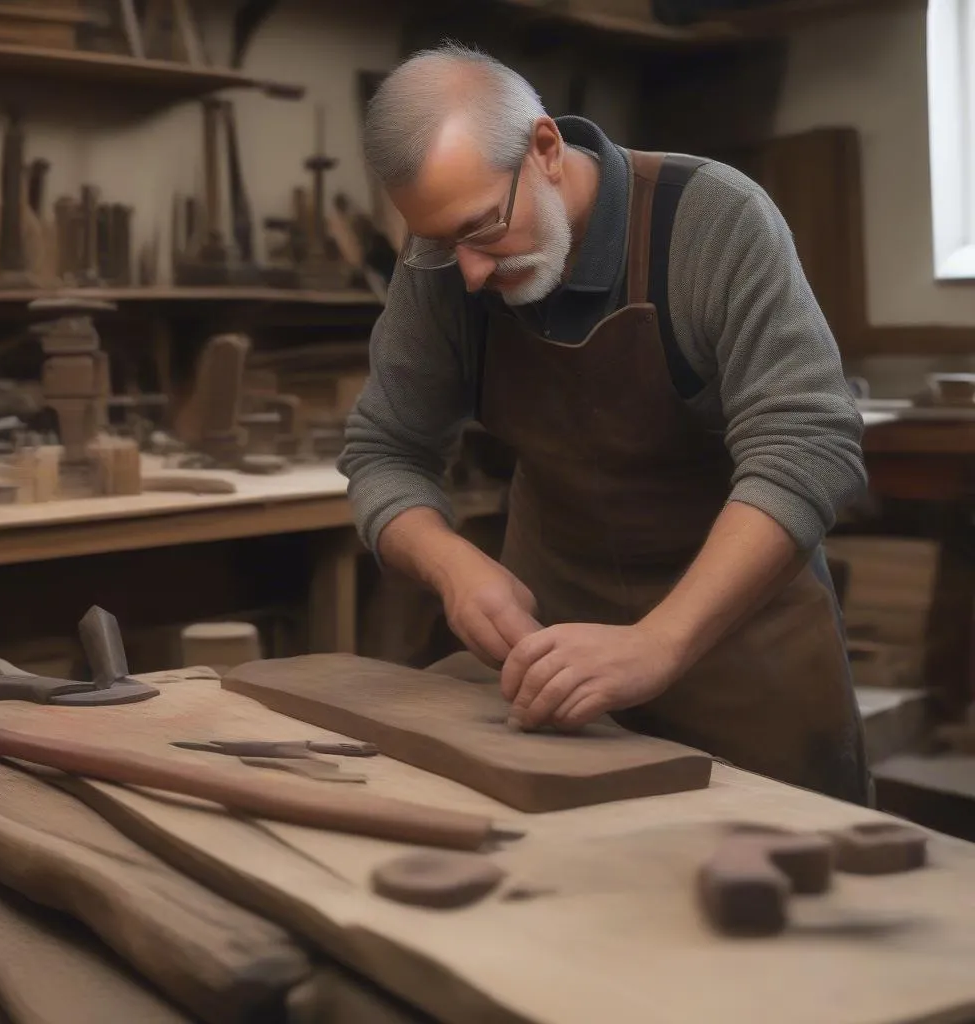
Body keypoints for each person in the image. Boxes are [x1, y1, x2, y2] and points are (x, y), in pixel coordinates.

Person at [337, 42, 872, 805]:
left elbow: (810, 446)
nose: (472, 273)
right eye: (442, 242)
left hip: (740, 645)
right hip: (547, 652)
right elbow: (384, 449)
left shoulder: (713, 219)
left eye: (483, 229)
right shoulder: (447, 261)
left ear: (546, 148)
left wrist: (661, 641)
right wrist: (449, 564)